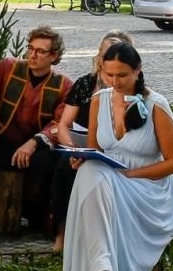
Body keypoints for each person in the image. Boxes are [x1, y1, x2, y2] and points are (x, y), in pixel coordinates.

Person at [44, 42, 173, 271]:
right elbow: (96, 149)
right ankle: (102, 263)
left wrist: (131, 174)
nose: (114, 82)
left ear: (137, 71)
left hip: (148, 186)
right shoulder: (99, 100)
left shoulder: (156, 105)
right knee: (88, 170)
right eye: (108, 74)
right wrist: (82, 157)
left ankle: (102, 262)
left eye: (122, 75)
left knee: (94, 175)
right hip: (109, 179)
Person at [0, 26, 72, 248]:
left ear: (54, 56)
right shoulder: (7, 68)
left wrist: (35, 142)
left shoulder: (64, 85)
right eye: (30, 48)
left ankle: (47, 216)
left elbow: (60, 122)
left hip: (35, 149)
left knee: (58, 162)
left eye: (40, 51)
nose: (33, 55)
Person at [50, 31, 135, 253]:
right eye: (101, 53)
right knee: (63, 168)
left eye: (109, 54)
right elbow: (64, 123)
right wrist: (71, 147)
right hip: (80, 145)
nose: (102, 58)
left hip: (113, 149)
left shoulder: (130, 90)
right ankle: (62, 233)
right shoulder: (85, 84)